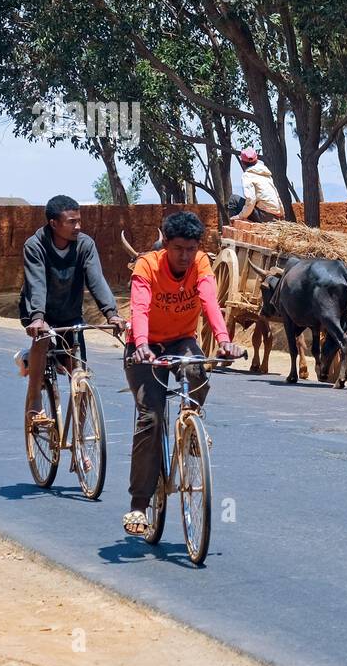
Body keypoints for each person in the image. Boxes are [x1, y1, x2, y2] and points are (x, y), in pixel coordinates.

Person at [122, 210, 244, 536]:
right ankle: (138, 504)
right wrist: (143, 344)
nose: (185, 256)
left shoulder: (201, 263)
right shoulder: (147, 266)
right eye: (178, 249)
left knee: (200, 373)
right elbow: (140, 308)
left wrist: (224, 341)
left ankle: (190, 427)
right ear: (165, 242)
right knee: (150, 418)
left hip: (181, 341)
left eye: (191, 248)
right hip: (143, 348)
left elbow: (209, 301)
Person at [19, 195, 124, 433]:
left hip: (69, 311)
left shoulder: (85, 245)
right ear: (54, 223)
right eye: (71, 222)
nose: (78, 226)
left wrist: (112, 313)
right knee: (43, 337)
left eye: (79, 220)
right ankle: (34, 400)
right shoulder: (35, 246)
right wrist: (37, 317)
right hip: (38, 312)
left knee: (80, 373)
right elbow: (36, 284)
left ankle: (80, 440)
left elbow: (96, 279)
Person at [230, 148, 284, 223]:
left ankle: (234, 224)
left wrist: (240, 216)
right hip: (275, 216)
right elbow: (276, 195)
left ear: (242, 162)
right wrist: (281, 214)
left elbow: (251, 199)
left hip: (263, 216)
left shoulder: (247, 175)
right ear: (257, 160)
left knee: (233, 199)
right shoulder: (266, 175)